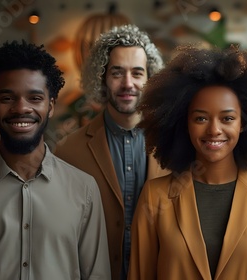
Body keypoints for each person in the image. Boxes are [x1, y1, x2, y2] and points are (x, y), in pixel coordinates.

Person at [128, 46, 247, 280]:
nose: (214, 130)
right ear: (183, 123)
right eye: (201, 118)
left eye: (227, 118)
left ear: (242, 123)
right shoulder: (154, 196)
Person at [0, 41, 110, 279]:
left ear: (50, 106)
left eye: (34, 98)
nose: (21, 108)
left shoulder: (84, 190)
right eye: (7, 98)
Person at [55, 24, 168, 280]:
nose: (128, 83)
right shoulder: (68, 151)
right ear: (102, 78)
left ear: (150, 79)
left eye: (137, 73)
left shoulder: (175, 145)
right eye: (117, 73)